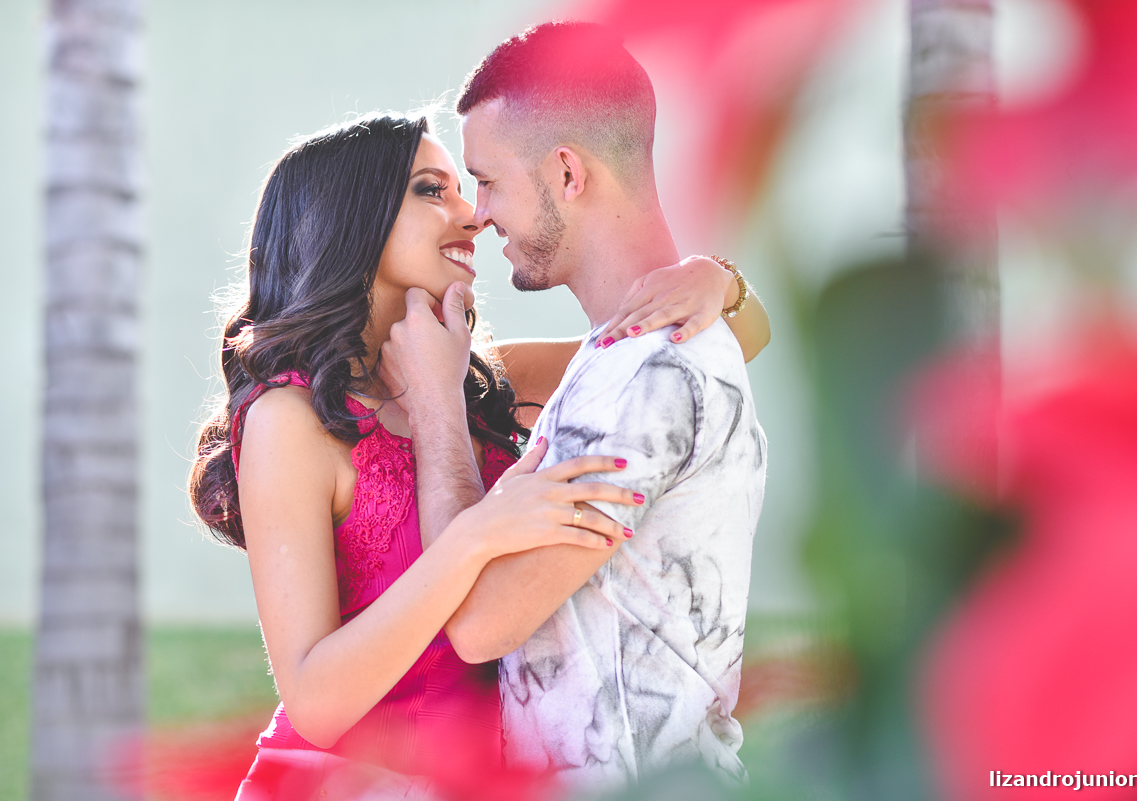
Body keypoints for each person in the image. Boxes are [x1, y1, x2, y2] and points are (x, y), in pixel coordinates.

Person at [188, 112, 769, 799]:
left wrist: (715, 280)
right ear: (354, 220)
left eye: (465, 189)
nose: (472, 215)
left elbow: (702, 348)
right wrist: (475, 536)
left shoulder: (484, 380)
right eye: (433, 190)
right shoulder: (290, 418)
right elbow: (314, 699)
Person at [382, 21, 770, 792]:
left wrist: (435, 409)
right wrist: (720, 279)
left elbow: (479, 621)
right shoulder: (622, 354)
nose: (479, 212)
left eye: (487, 179)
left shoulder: (646, 372)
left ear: (566, 173)